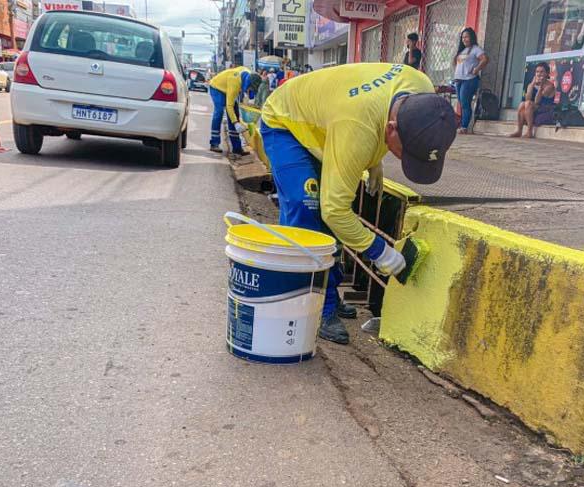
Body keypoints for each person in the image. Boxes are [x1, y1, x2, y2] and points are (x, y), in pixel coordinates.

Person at [259, 63, 457, 344]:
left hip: (332, 119)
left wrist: (373, 160)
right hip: (286, 121)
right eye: (407, 154)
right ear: (391, 128)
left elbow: (378, 110)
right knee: (309, 207)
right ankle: (311, 305)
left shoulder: (422, 92)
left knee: (334, 204)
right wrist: (381, 252)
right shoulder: (357, 126)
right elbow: (334, 211)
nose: (404, 160)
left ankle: (329, 291)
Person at [208, 66, 262, 154]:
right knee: (219, 111)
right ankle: (214, 143)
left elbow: (251, 90)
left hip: (227, 86)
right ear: (247, 84)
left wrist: (251, 100)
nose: (249, 90)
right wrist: (236, 123)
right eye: (249, 88)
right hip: (217, 87)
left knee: (235, 113)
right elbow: (229, 105)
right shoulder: (235, 82)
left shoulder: (250, 76)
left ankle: (237, 148)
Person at [452, 27, 489, 134]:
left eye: (466, 37)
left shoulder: (476, 49)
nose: (464, 39)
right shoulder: (462, 50)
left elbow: (485, 59)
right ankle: (463, 124)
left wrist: (477, 69)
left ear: (472, 37)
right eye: (463, 37)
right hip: (459, 80)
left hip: (469, 80)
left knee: (465, 103)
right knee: (462, 103)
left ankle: (464, 126)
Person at [510, 62, 556, 139]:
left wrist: (541, 87)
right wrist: (532, 84)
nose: (539, 74)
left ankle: (529, 131)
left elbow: (537, 101)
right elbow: (527, 98)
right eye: (537, 72)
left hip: (545, 108)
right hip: (533, 108)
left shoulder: (549, 86)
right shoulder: (531, 84)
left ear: (547, 73)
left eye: (542, 72)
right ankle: (519, 130)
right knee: (522, 104)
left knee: (528, 104)